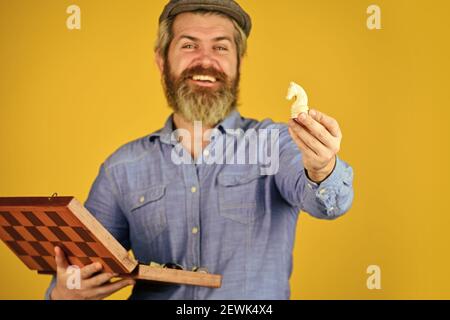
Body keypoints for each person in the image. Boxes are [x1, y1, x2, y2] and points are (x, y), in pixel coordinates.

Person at [47, 0, 354, 300]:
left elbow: (328, 203)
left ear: (239, 62)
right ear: (161, 61)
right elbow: (79, 266)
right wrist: (66, 293)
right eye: (189, 45)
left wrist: (321, 167)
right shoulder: (122, 168)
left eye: (220, 47)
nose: (205, 60)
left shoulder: (275, 144)